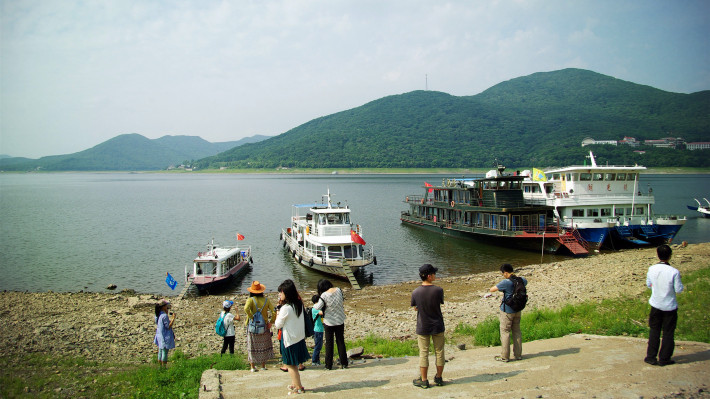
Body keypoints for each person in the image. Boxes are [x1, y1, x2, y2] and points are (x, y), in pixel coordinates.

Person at [645, 244, 684, 366]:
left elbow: (648, 284)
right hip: (669, 306)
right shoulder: (674, 272)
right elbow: (678, 289)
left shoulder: (652, 269)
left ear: (658, 255)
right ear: (670, 256)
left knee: (654, 331)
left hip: (656, 304)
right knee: (668, 333)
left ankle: (651, 357)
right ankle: (664, 358)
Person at [410, 264, 445, 389]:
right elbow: (439, 303)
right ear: (429, 276)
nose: (435, 275)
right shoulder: (439, 290)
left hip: (423, 325)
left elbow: (415, 307)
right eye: (434, 274)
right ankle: (439, 377)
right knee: (439, 352)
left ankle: (424, 380)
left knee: (423, 352)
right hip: (438, 325)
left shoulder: (416, 292)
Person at [274, 279, 310, 394]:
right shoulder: (298, 304)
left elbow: (277, 325)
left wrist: (278, 313)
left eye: (281, 292)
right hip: (299, 337)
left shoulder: (286, 308)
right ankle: (295, 383)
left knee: (290, 365)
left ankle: (299, 387)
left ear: (286, 293)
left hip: (289, 339)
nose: (279, 294)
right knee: (294, 363)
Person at [489, 263, 527, 362]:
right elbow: (525, 282)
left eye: (503, 273)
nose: (503, 275)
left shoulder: (506, 282)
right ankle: (518, 355)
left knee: (505, 332)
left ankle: (505, 356)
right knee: (517, 331)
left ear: (506, 272)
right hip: (518, 309)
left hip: (507, 311)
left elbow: (492, 289)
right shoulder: (521, 280)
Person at [313, 279, 348, 370]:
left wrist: (314, 303)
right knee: (340, 341)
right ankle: (344, 363)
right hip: (340, 320)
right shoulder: (339, 290)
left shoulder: (324, 295)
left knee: (329, 343)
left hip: (329, 322)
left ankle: (328, 365)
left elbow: (318, 307)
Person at [244, 281, 276, 372]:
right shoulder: (266, 300)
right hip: (264, 325)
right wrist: (271, 322)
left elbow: (246, 308)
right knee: (263, 346)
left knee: (252, 345)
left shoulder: (250, 300)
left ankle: (252, 366)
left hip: (252, 326)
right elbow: (274, 311)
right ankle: (263, 365)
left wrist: (251, 317)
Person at [153, 299, 176, 368]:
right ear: (163, 307)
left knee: (160, 350)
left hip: (159, 335)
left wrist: (166, 312)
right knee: (165, 352)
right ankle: (164, 367)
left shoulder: (158, 314)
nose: (167, 307)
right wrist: (173, 318)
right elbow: (168, 326)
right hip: (165, 336)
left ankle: (159, 367)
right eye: (166, 306)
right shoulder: (164, 316)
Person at [310, 294, 325, 366]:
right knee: (318, 346)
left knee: (319, 345)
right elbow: (322, 313)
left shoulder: (316, 308)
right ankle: (314, 360)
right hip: (317, 330)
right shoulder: (315, 309)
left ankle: (317, 360)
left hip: (320, 329)